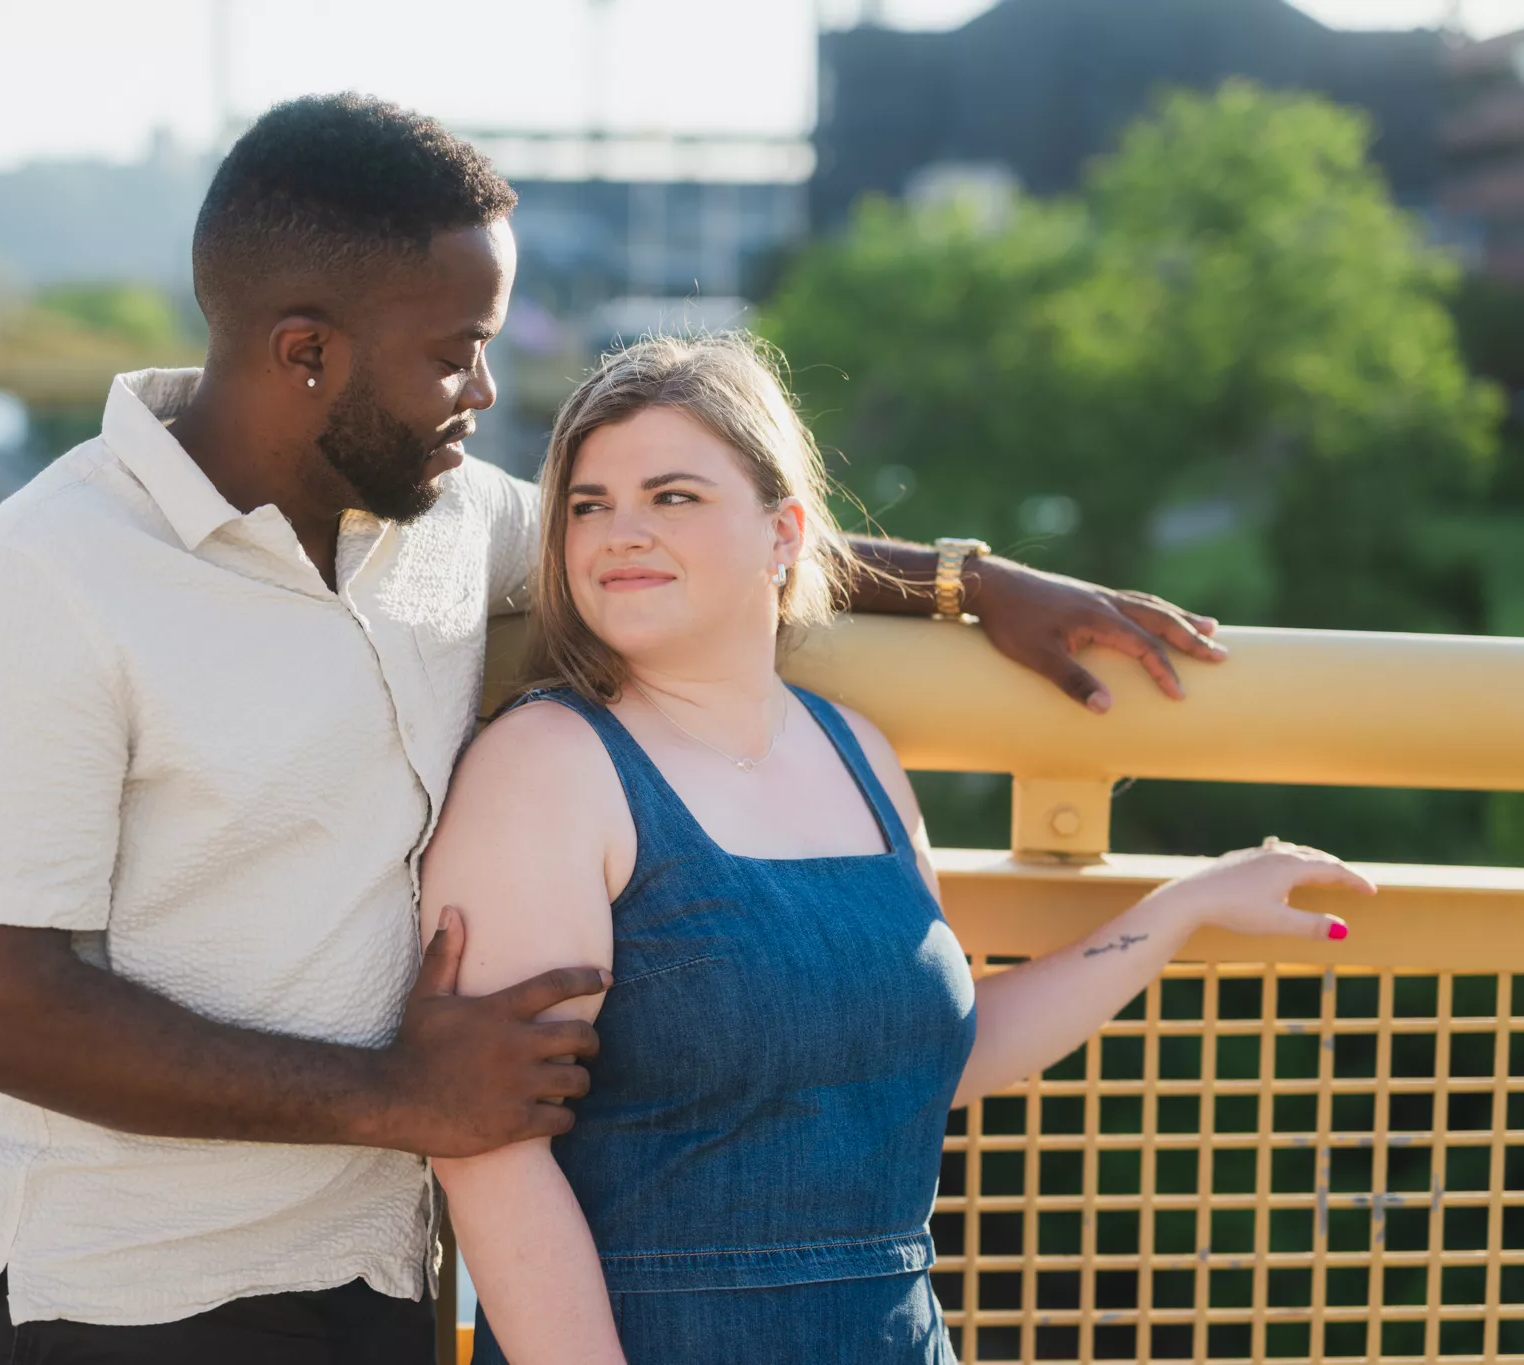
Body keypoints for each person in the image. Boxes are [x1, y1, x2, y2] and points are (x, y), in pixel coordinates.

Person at [0, 95, 1231, 1364]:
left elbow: (692, 541)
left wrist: (972, 584)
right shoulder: (44, 578)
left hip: (371, 1265)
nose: (484, 388)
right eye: (452, 350)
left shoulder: (444, 519)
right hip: (118, 1297)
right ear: (306, 350)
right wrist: (400, 1098)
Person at [422, 334, 1377, 1365]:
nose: (621, 533)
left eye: (674, 498)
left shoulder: (855, 752)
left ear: (782, 532)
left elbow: (938, 1059)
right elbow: (489, 1151)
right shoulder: (547, 765)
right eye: (586, 504)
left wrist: (1181, 906)